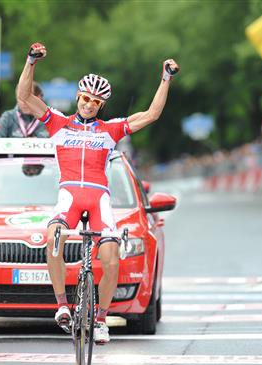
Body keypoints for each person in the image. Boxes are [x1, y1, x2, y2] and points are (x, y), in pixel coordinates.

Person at [16, 42, 179, 344]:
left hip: (98, 197)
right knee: (54, 238)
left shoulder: (111, 129)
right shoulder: (57, 123)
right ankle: (63, 306)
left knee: (112, 258)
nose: (89, 104)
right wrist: (30, 62)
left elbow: (152, 114)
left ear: (101, 105)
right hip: (69, 197)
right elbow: (24, 97)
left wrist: (165, 78)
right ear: (78, 96)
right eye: (86, 98)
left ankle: (101, 319)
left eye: (95, 101)